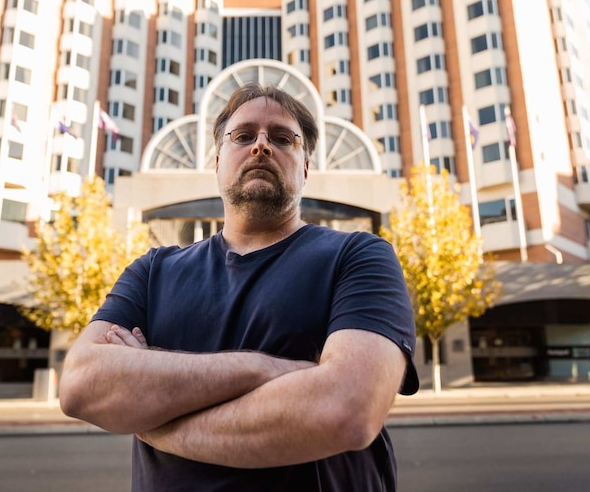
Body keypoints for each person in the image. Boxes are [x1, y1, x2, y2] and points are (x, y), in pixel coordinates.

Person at [59, 83, 419, 491]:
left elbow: (348, 410)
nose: (261, 146)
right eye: (243, 136)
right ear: (217, 161)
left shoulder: (359, 256)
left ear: (304, 167)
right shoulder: (152, 272)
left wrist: (154, 423)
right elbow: (80, 385)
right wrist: (268, 368)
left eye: (282, 138)